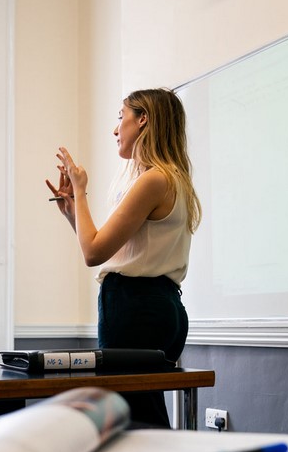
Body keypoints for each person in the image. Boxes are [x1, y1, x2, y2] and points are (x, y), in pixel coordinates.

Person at [46, 88, 202, 428]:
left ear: (143, 119)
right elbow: (105, 247)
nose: (115, 129)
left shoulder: (154, 180)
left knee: (134, 419)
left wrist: (81, 189)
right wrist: (72, 213)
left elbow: (93, 253)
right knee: (143, 411)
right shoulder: (172, 178)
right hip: (161, 307)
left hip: (135, 309)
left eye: (121, 117)